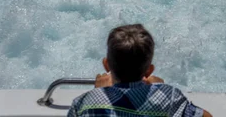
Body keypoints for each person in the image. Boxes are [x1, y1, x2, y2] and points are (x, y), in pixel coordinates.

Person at [68, 24, 212, 117]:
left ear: (106, 65)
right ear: (149, 71)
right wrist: (158, 88)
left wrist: (100, 93)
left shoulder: (83, 103)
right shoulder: (169, 97)